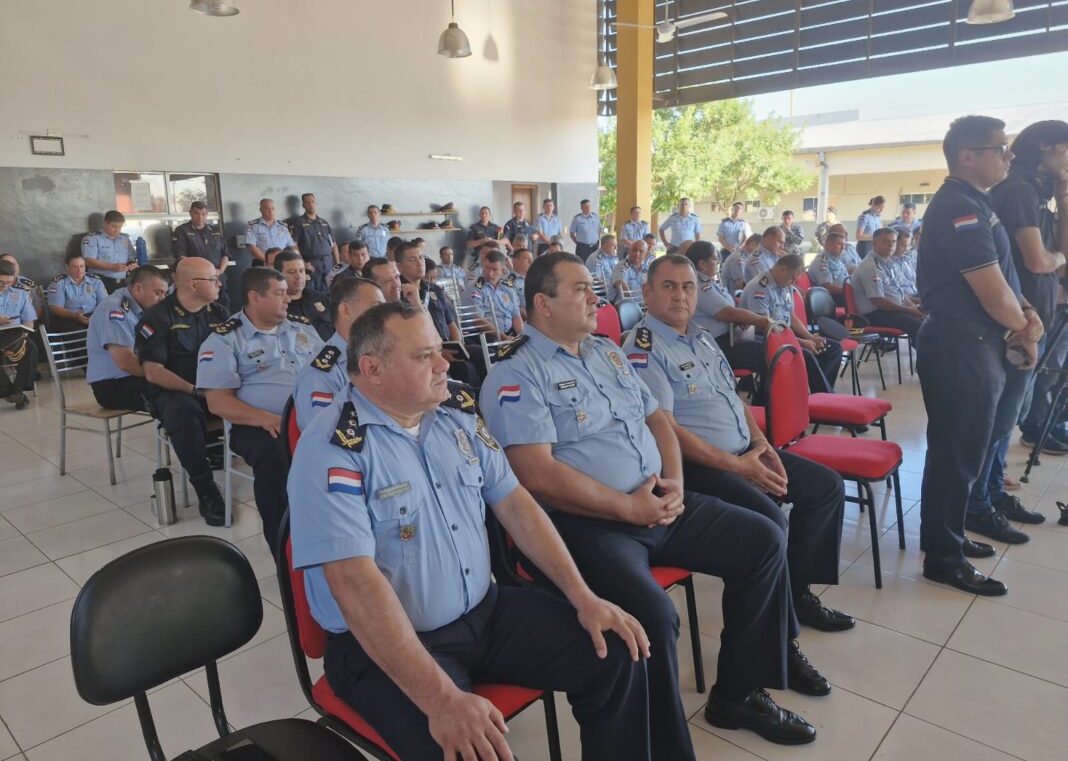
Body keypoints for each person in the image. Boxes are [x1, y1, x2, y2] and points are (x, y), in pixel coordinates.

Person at [479, 253, 823, 753]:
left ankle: (738, 694)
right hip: (590, 526)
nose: (595, 298)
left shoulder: (605, 352)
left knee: (764, 540)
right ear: (543, 304)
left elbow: (658, 419)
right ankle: (667, 749)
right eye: (580, 289)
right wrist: (628, 510)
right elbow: (537, 475)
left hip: (657, 501)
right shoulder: (516, 374)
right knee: (655, 619)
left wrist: (675, 483)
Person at [288, 301, 654, 760]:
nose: (444, 363)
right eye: (424, 356)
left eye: (438, 350)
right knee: (468, 751)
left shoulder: (455, 412)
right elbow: (353, 582)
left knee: (616, 652)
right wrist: (442, 701)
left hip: (485, 612)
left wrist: (583, 597)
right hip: (380, 646)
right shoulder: (331, 449)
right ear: (372, 370)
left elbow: (516, 504)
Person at [624, 255, 853, 632]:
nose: (680, 295)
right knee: (769, 523)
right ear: (647, 292)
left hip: (745, 452)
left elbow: (735, 400)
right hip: (698, 466)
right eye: (668, 286)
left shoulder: (702, 338)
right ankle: (778, 636)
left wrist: (762, 446)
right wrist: (737, 467)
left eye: (688, 287)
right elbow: (667, 430)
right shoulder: (643, 349)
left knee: (825, 487)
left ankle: (797, 594)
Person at [916, 115, 1043, 597]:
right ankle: (944, 558)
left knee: (961, 451)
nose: (1010, 156)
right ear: (967, 156)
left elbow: (1005, 277)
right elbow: (991, 292)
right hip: (961, 345)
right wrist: (1023, 327)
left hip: (975, 343)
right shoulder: (958, 207)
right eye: (1000, 148)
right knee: (956, 454)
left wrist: (1026, 311)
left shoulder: (974, 202)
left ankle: (946, 538)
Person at [197, 267, 323, 551]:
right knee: (275, 457)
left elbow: (331, 372)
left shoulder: (302, 329)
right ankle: (285, 546)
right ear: (255, 297)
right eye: (279, 293)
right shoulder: (225, 339)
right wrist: (266, 418)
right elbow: (218, 402)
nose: (288, 299)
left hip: (313, 416)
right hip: (256, 424)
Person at [135, 257, 229, 526]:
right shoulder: (157, 317)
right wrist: (196, 390)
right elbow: (154, 372)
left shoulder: (220, 313)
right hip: (177, 390)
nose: (219, 283)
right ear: (193, 284)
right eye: (213, 279)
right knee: (183, 412)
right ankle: (206, 489)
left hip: (216, 387)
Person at [998, 120, 1068, 454]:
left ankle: (993, 476)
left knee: (1015, 405)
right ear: (1045, 145)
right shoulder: (1019, 190)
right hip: (1018, 314)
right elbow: (1038, 261)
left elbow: (1059, 259)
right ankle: (988, 481)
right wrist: (1056, 258)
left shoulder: (1041, 193)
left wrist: (1063, 199)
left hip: (1039, 309)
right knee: (1005, 411)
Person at [739, 254, 842, 393]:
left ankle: (817, 395)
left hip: (784, 335)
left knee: (832, 348)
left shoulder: (785, 285)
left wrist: (811, 338)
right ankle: (823, 397)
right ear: (783, 269)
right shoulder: (759, 287)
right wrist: (801, 342)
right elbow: (764, 327)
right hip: (762, 337)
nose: (793, 282)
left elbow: (791, 317)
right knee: (805, 353)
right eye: (792, 277)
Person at [293, 276, 384, 430]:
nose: (384, 316)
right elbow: (326, 435)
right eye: (376, 308)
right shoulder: (320, 374)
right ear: (346, 310)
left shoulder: (381, 356)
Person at [86, 265, 169, 411]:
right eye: (158, 293)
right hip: (114, 386)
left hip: (135, 377)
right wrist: (163, 375)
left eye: (164, 294)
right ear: (138, 288)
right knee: (177, 395)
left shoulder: (141, 308)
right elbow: (126, 362)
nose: (162, 299)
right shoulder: (115, 310)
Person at [395, 241, 475, 383]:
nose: (420, 263)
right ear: (399, 266)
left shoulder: (434, 289)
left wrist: (458, 345)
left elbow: (451, 323)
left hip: (449, 345)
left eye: (421, 257)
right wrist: (438, 352)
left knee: (480, 355)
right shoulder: (399, 294)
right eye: (412, 260)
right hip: (426, 353)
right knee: (466, 369)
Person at [686, 241, 775, 352]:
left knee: (765, 347)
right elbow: (729, 313)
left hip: (729, 337)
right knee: (765, 352)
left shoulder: (707, 282)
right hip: (713, 345)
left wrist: (742, 319)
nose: (718, 263)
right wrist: (764, 321)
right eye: (714, 259)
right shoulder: (700, 286)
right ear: (702, 264)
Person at [851, 227, 925, 343]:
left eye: (893, 242)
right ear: (874, 243)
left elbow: (899, 293)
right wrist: (909, 310)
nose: (891, 245)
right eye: (885, 241)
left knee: (927, 319)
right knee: (918, 325)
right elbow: (879, 301)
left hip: (891, 310)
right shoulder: (871, 266)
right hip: (874, 314)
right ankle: (929, 354)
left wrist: (913, 307)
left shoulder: (888, 263)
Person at [173, 201, 231, 312]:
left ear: (207, 214)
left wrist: (220, 271)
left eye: (203, 214)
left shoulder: (215, 231)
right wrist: (203, 274)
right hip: (198, 281)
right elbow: (181, 258)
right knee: (202, 311)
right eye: (196, 213)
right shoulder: (182, 231)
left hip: (218, 279)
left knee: (223, 310)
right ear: (190, 213)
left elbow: (226, 255)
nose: (200, 217)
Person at [0, 259, 38, 410]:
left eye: (9, 282)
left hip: (14, 334)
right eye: (1, 282)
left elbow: (29, 320)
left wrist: (22, 339)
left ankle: (18, 389)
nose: (5, 286)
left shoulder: (20, 293)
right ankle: (9, 391)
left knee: (31, 348)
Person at [465, 250, 522, 340]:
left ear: (503, 271)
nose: (490, 273)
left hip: (509, 334)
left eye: (494, 269)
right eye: (487, 268)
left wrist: (521, 337)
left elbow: (516, 316)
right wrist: (504, 337)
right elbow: (478, 320)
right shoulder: (476, 287)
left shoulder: (507, 288)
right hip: (485, 335)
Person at [275, 250, 332, 341]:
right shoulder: (275, 308)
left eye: (301, 271)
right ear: (279, 275)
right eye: (292, 272)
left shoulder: (322, 298)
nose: (299, 276)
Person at [289, 193, 338, 292]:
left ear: (316, 203)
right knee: (314, 293)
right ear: (303, 205)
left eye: (312, 202)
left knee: (331, 292)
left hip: (328, 263)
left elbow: (333, 244)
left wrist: (337, 263)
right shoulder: (299, 223)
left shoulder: (324, 223)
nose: (311, 205)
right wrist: (302, 263)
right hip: (312, 264)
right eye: (307, 203)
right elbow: (294, 245)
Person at [81, 210, 137, 293]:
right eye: (113, 226)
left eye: (120, 227)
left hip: (122, 283)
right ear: (105, 223)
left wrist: (131, 264)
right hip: (100, 282)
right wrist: (112, 267)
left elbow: (131, 258)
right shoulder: (92, 239)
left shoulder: (125, 239)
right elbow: (89, 261)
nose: (117, 230)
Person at [47, 255, 108, 331]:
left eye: (82, 266)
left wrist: (95, 317)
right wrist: (75, 316)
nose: (79, 270)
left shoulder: (95, 281)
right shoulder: (58, 283)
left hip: (93, 317)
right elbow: (55, 309)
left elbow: (104, 303)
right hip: (68, 318)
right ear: (67, 267)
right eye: (75, 267)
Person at [807, 224, 851, 302]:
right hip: (832, 299)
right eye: (839, 244)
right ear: (828, 244)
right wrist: (848, 292)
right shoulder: (822, 261)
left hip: (844, 295)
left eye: (844, 244)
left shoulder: (837, 260)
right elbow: (827, 286)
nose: (843, 248)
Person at [246, 198, 296, 266]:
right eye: (267, 209)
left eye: (273, 208)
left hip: (281, 263)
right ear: (261, 210)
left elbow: (291, 246)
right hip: (262, 263)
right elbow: (251, 246)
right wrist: (269, 262)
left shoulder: (283, 226)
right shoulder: (253, 225)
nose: (270, 211)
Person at [610, 239, 648, 305]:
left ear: (646, 255)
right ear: (629, 251)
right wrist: (634, 306)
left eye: (641, 251)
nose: (637, 253)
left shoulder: (647, 269)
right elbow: (621, 284)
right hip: (623, 307)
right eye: (634, 250)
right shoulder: (621, 266)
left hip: (643, 306)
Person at [890, 229, 919, 297]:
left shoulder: (907, 260)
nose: (906, 249)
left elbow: (915, 281)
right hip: (903, 299)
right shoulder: (888, 264)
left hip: (915, 294)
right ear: (894, 244)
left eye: (908, 246)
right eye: (903, 246)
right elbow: (894, 291)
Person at [508, 248, 533, 320]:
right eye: (526, 259)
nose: (530, 262)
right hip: (524, 320)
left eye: (531, 259)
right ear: (515, 261)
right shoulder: (509, 281)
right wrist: (533, 319)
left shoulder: (535, 278)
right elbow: (513, 307)